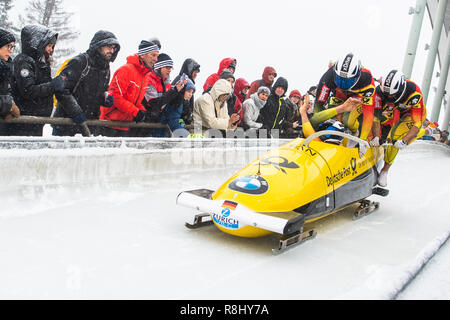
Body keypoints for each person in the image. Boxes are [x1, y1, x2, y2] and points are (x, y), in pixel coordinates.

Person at [52, 30, 120, 137]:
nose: (111, 51)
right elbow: (60, 88)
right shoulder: (80, 62)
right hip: (67, 124)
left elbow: (98, 92)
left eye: (113, 48)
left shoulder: (106, 68)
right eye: (108, 47)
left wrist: (104, 98)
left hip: (89, 125)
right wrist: (75, 111)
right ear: (99, 46)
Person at [372, 70, 427, 187]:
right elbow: (376, 117)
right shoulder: (379, 92)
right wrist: (376, 137)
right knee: (376, 133)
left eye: (392, 94)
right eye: (386, 94)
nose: (389, 96)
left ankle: (385, 171)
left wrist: (403, 141)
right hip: (393, 111)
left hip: (411, 115)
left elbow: (417, 122)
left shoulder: (414, 93)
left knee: (395, 137)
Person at [8, 25, 63, 136]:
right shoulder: (24, 61)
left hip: (35, 121)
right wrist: (52, 86)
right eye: (49, 46)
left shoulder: (41, 63)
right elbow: (28, 90)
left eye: (52, 47)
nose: (51, 50)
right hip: (23, 122)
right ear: (38, 44)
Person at [99, 40, 159, 137]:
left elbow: (135, 101)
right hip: (110, 124)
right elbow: (115, 97)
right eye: (153, 55)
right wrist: (136, 112)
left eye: (157, 56)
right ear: (142, 55)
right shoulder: (126, 70)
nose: (156, 59)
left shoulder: (146, 75)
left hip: (125, 125)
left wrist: (144, 113)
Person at [313, 53, 376, 143]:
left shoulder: (367, 80)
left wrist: (362, 140)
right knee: (331, 117)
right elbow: (318, 104)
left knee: (348, 121)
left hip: (357, 98)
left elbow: (368, 114)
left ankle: (355, 132)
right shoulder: (328, 77)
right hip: (338, 94)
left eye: (347, 81)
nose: (343, 84)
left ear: (357, 76)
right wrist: (315, 130)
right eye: (340, 79)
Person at [142, 53, 188, 136]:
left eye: (171, 68)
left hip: (161, 120)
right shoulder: (149, 80)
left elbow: (173, 104)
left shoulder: (166, 82)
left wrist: (181, 90)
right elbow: (154, 104)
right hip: (148, 122)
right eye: (167, 67)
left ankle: (180, 132)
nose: (170, 70)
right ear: (159, 67)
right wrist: (174, 90)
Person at [0, 29, 20, 128]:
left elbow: (6, 91)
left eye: (13, 47)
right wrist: (8, 106)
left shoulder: (6, 67)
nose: (11, 51)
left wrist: (9, 104)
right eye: (8, 46)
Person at [171, 58, 201, 125]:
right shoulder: (180, 81)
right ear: (189, 70)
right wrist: (185, 118)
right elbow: (176, 105)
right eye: (195, 72)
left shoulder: (189, 83)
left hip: (181, 119)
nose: (196, 74)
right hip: (176, 120)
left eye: (197, 72)